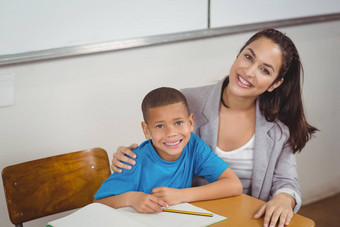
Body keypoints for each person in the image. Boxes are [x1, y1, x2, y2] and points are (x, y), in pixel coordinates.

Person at [111, 29, 318, 227]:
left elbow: (286, 180)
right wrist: (129, 157)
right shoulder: (188, 102)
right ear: (238, 55)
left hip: (250, 221)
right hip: (190, 218)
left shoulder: (279, 126)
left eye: (265, 70)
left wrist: (284, 198)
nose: (249, 71)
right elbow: (158, 149)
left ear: (275, 83)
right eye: (248, 57)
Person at [94, 87, 242, 213]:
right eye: (159, 126)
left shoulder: (194, 146)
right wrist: (131, 199)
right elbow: (98, 203)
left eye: (178, 122)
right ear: (146, 130)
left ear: (190, 123)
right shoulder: (133, 161)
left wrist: (181, 195)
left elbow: (234, 185)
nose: (171, 133)